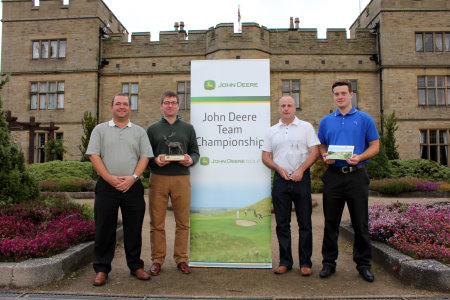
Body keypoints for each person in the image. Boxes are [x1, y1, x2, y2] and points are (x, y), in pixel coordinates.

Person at [86, 93, 153, 286]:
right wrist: (110, 179)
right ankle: (101, 269)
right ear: (111, 107)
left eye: (125, 104)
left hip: (132, 187)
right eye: (118, 104)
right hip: (107, 186)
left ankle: (135, 266)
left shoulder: (139, 131)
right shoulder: (100, 130)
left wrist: (132, 178)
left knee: (134, 228)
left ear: (130, 108)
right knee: (104, 229)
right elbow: (94, 156)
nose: (121, 107)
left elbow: (144, 157)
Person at [318, 81, 380, 282]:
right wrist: (325, 155)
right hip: (334, 175)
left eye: (343, 93)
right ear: (333, 96)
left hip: (357, 175)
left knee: (360, 223)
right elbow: (322, 145)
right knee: (331, 223)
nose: (340, 97)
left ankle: (363, 265)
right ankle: (328, 263)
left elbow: (375, 146)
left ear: (351, 94)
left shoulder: (364, 119)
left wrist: (360, 157)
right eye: (336, 93)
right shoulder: (326, 121)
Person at [262, 96, 320, 276]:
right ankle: (285, 262)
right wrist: (278, 169)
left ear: (295, 108)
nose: (286, 109)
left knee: (305, 223)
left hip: (301, 179)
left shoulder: (306, 128)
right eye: (283, 106)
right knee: (282, 224)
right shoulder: (271, 131)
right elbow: (265, 157)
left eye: (289, 105)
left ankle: (305, 263)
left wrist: (302, 169)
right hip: (281, 180)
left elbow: (315, 152)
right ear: (278, 109)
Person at [146, 91, 200, 276]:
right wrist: (155, 160)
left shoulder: (188, 128)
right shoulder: (152, 129)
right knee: (157, 222)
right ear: (161, 106)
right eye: (166, 102)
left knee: (183, 222)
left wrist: (190, 160)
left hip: (181, 178)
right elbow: (146, 156)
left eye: (173, 102)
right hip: (158, 178)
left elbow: (195, 152)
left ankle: (181, 259)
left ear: (178, 106)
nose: (170, 105)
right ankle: (157, 259)